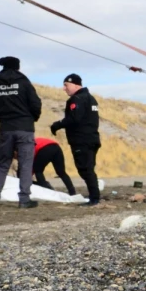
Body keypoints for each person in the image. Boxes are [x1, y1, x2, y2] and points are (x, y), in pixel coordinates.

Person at [0, 56, 41, 208]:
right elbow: (36, 103)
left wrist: (2, 118)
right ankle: (24, 200)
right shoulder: (24, 83)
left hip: (6, 129)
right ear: (17, 67)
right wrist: (31, 118)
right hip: (24, 128)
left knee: (2, 164)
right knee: (26, 164)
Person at [50, 73, 101, 206]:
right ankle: (94, 195)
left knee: (85, 169)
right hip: (92, 139)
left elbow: (74, 118)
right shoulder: (91, 98)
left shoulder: (77, 99)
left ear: (74, 84)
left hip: (82, 140)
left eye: (66, 85)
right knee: (89, 168)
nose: (64, 88)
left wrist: (57, 124)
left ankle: (94, 198)